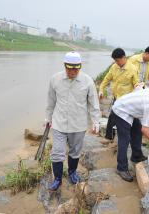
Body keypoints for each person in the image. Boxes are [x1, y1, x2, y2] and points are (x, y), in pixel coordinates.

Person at [46, 52, 100, 191]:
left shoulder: (87, 81)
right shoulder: (55, 79)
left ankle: (72, 172)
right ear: (65, 66)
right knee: (57, 152)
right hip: (59, 123)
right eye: (70, 68)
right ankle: (57, 179)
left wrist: (96, 121)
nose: (73, 71)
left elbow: (93, 104)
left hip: (78, 124)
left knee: (75, 151)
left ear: (80, 66)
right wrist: (48, 118)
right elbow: (51, 101)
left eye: (76, 68)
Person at [99, 48, 140, 144]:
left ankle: (132, 138)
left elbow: (136, 83)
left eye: (118, 60)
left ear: (124, 57)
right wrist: (101, 90)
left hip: (127, 100)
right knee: (112, 117)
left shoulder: (133, 69)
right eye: (115, 60)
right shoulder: (114, 67)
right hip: (117, 98)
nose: (116, 62)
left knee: (131, 119)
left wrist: (138, 87)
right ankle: (109, 137)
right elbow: (106, 80)